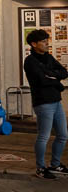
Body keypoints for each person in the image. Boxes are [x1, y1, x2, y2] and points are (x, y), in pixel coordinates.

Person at [23, 29, 68, 179]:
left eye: (46, 40)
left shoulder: (48, 57)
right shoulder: (30, 61)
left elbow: (63, 72)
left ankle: (55, 164)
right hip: (43, 103)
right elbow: (42, 80)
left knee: (63, 135)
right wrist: (55, 79)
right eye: (43, 41)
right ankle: (40, 168)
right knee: (44, 136)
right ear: (34, 44)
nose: (46, 43)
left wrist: (52, 76)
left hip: (56, 101)